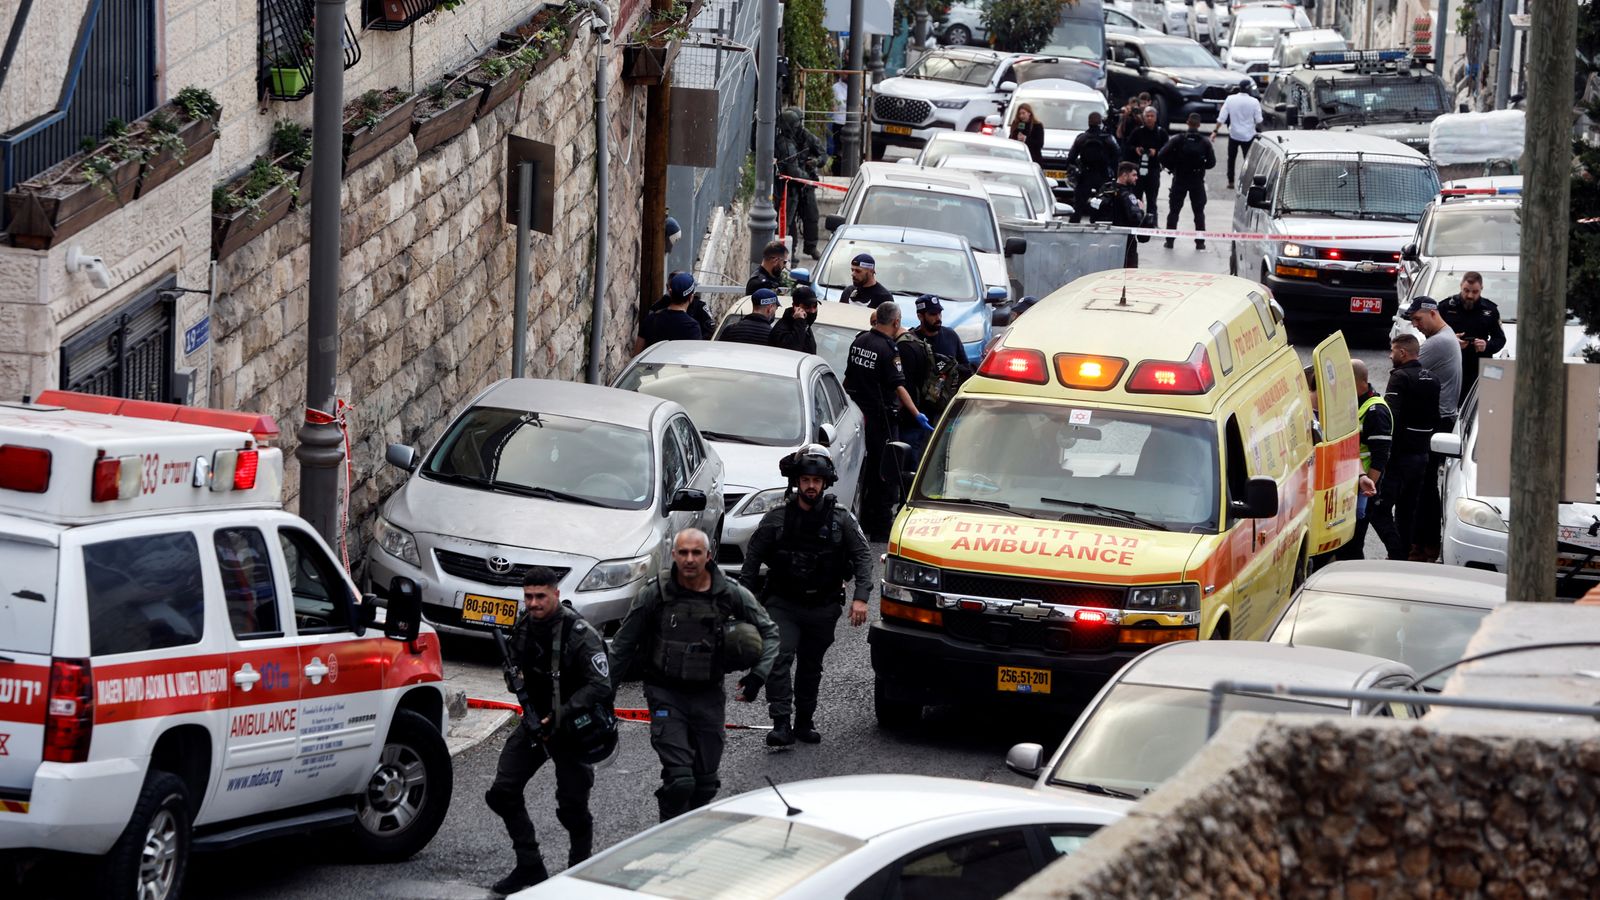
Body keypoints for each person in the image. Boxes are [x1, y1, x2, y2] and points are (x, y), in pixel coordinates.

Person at [608, 528, 780, 822]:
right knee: (680, 781)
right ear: (674, 555)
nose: (689, 559)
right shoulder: (655, 593)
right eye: (683, 553)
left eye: (696, 553)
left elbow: (770, 632)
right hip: (665, 694)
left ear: (708, 555)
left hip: (708, 695)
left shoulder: (729, 592)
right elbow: (623, 646)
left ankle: (688, 836)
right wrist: (603, 697)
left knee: (705, 784)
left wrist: (758, 675)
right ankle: (668, 836)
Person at [484, 568, 613, 894]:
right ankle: (530, 865)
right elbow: (512, 663)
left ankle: (578, 874)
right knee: (503, 792)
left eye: (540, 596)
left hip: (571, 729)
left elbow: (600, 685)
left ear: (555, 594)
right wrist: (512, 677)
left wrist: (562, 714)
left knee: (572, 808)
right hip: (533, 723)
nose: (534, 603)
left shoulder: (579, 632)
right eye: (528, 597)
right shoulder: (526, 625)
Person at [739, 445, 874, 746]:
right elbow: (752, 562)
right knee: (779, 655)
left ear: (825, 483)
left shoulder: (842, 520)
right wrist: (744, 604)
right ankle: (781, 722)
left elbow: (864, 557)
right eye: (805, 480)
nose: (810, 486)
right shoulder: (776, 519)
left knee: (811, 666)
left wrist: (861, 597)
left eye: (816, 480)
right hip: (783, 603)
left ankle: (804, 721)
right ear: (797, 482)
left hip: (823, 606)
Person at [844, 302, 930, 540]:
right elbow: (898, 386)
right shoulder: (889, 349)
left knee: (863, 472)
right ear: (895, 322)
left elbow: (848, 379)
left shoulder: (859, 342)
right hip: (881, 421)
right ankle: (880, 531)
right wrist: (916, 414)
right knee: (886, 476)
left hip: (856, 416)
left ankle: (862, 523)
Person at [1375, 333, 1440, 561]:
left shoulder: (1400, 378)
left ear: (1402, 353)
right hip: (1422, 454)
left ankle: (1397, 553)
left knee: (1379, 509)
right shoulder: (1433, 379)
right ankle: (1402, 557)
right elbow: (1436, 416)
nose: (1389, 355)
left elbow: (1390, 416)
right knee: (1407, 511)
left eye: (1392, 351)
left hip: (1400, 456)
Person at [1409, 296, 1462, 562]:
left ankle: (1425, 544)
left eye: (1417, 319)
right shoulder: (1447, 336)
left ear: (1432, 313)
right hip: (1442, 417)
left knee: (1423, 485)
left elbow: (1404, 367)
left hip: (1436, 420)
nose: (1416, 325)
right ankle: (1425, 542)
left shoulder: (1437, 342)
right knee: (1426, 484)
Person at [1334, 359, 1393, 562]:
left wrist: (1366, 491)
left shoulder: (1375, 412)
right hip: (1354, 483)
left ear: (1356, 381)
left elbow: (1379, 458)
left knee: (1354, 542)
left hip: (1364, 486)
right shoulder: (1359, 404)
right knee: (1347, 542)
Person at [1439, 271, 1506, 400]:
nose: (1469, 295)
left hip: (1479, 368)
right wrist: (1452, 341)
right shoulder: (1445, 307)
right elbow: (1432, 335)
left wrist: (1486, 345)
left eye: (1475, 292)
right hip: (1452, 365)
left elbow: (1500, 339)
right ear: (1460, 286)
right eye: (1466, 290)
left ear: (1481, 289)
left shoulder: (1490, 310)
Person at [1158, 113, 1216, 250]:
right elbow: (1212, 163)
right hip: (1196, 180)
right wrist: (1201, 166)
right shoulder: (1204, 142)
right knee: (1199, 212)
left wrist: (1172, 167)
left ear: (1187, 123)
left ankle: (1170, 241)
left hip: (1180, 178)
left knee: (1174, 211)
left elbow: (1162, 154)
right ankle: (1200, 242)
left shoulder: (1178, 139)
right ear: (1199, 125)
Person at [777, 107, 826, 260]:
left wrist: (816, 162)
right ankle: (790, 252)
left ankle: (811, 247)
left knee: (811, 215)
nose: (799, 127)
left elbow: (823, 155)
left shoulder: (807, 137)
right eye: (796, 124)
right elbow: (791, 169)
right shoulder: (783, 142)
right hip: (790, 185)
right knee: (789, 219)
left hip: (805, 184)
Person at [1091, 162, 1149, 268]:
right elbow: (1136, 219)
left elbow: (1093, 215)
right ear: (1124, 175)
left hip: (1103, 241)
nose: (1137, 178)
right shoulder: (1127, 196)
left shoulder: (1105, 190)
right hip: (1126, 244)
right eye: (1134, 175)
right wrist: (1141, 209)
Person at [1066, 111, 1120, 222]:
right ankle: (1097, 221)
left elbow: (1071, 158)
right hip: (1103, 174)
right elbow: (1117, 154)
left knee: (1078, 205)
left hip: (1086, 174)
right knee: (1103, 203)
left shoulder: (1082, 138)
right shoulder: (1107, 138)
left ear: (1088, 122)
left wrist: (1076, 170)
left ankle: (1073, 225)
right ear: (1100, 122)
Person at [635, 272, 704, 354]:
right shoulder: (692, 327)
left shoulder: (651, 319)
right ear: (691, 297)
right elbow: (694, 357)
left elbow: (636, 354)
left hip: (652, 366)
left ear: (670, 293)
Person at [1212, 84, 1262, 190]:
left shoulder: (1230, 99)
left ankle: (1231, 181)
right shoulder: (1254, 102)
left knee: (1231, 158)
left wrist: (1215, 131)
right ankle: (1247, 182)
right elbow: (1259, 120)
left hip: (1234, 134)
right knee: (1248, 160)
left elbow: (1222, 117)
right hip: (1249, 135)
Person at [1125, 105, 1166, 222]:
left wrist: (1156, 152)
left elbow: (1168, 150)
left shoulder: (1161, 133)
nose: (1149, 118)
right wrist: (1136, 150)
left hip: (1153, 169)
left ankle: (1152, 222)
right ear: (1144, 117)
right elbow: (1127, 146)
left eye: (1151, 116)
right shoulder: (1138, 131)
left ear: (1156, 118)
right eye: (1147, 116)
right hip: (1138, 170)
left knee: (1152, 199)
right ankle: (1136, 220)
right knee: (1137, 198)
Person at [769, 285, 820, 355]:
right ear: (795, 307)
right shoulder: (782, 329)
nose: (812, 311)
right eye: (807, 307)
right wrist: (800, 321)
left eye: (815, 306)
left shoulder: (805, 326)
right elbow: (794, 350)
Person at [1008, 102, 1046, 166]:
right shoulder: (1016, 124)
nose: (1021, 116)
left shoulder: (1037, 125)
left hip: (1033, 158)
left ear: (1029, 113)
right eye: (1019, 114)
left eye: (1023, 113)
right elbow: (1010, 139)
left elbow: (1040, 144)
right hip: (1017, 157)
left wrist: (1026, 139)